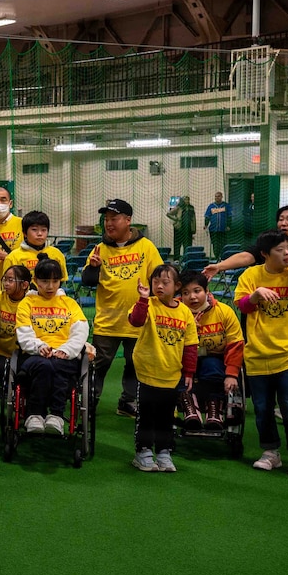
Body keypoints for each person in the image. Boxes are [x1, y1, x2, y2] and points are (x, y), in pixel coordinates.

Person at [235, 231, 288, 478]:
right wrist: (256, 295)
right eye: (280, 249)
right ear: (264, 254)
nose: (287, 253)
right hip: (259, 354)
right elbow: (243, 306)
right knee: (262, 407)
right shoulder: (250, 275)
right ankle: (271, 452)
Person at [82, 198, 164, 419]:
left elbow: (158, 279)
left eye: (114, 219)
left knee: (134, 364)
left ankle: (127, 402)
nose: (109, 223)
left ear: (128, 220)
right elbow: (87, 281)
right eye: (106, 219)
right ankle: (90, 401)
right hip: (107, 320)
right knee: (99, 364)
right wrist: (93, 267)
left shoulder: (146, 246)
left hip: (137, 319)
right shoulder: (100, 249)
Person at [127, 264, 198, 473]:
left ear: (176, 286)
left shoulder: (185, 312)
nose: (159, 286)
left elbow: (190, 346)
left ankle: (164, 452)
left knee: (167, 416)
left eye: (165, 282)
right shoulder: (147, 304)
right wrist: (142, 298)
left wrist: (189, 373)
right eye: (155, 282)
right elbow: (136, 321)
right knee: (146, 415)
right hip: (147, 372)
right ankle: (143, 452)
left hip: (171, 374)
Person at [14, 256, 89, 436]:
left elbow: (81, 330)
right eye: (45, 281)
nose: (50, 286)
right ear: (35, 281)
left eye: (55, 281)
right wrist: (39, 347)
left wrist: (66, 350)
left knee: (57, 364)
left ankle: (56, 416)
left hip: (64, 355)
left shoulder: (69, 303)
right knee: (45, 365)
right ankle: (35, 415)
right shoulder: (27, 303)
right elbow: (24, 332)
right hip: (34, 355)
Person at [178, 273, 244, 430]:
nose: (192, 297)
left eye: (197, 291)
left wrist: (231, 374)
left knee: (212, 366)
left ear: (207, 290)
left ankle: (213, 410)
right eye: (185, 293)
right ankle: (190, 409)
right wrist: (187, 329)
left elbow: (235, 344)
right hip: (182, 359)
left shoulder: (225, 312)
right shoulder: (176, 311)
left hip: (214, 360)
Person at [204, 205, 288, 280]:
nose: (283, 223)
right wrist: (219, 266)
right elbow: (246, 257)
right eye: (280, 219)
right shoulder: (270, 243)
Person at [0, 264, 31, 397]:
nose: (6, 284)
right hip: (0, 349)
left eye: (11, 280)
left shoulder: (30, 301)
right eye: (5, 280)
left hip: (23, 351)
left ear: (24, 285)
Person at [3, 210, 68, 281]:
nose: (39, 233)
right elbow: (8, 285)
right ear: (24, 233)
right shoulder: (13, 257)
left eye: (43, 230)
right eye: (34, 229)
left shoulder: (57, 254)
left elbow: (62, 280)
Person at [204, 192, 230, 259]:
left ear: (221, 197)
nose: (217, 198)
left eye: (218, 196)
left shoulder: (226, 205)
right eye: (216, 196)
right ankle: (216, 257)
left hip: (223, 229)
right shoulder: (211, 206)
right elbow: (207, 216)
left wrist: (229, 225)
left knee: (223, 244)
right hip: (213, 229)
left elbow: (229, 216)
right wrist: (206, 225)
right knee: (215, 244)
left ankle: (223, 257)